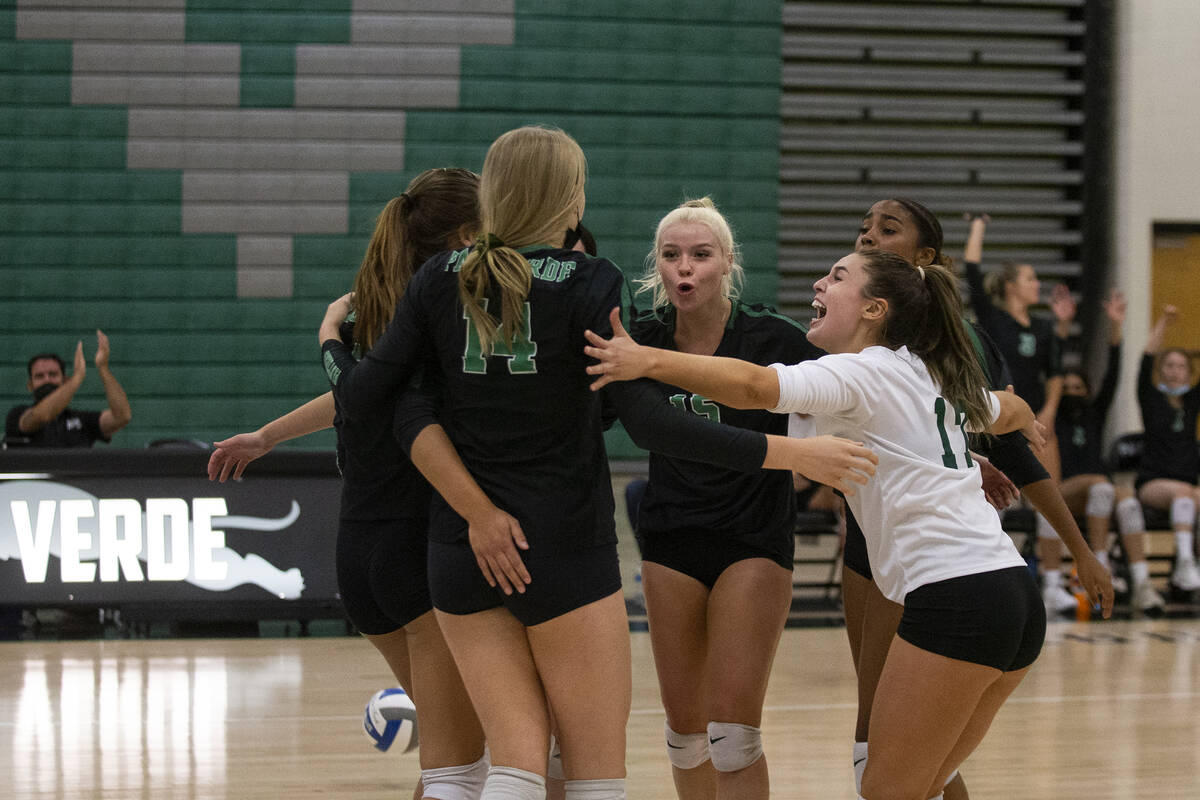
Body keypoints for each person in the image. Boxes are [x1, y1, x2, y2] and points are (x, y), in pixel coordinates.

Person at [319, 125, 877, 800]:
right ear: (569, 200)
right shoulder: (588, 280)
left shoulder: (438, 279)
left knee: (499, 768)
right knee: (589, 777)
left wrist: (330, 342)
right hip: (563, 544)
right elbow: (647, 419)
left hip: (462, 546)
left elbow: (373, 403)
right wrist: (788, 451)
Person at [585, 248, 1112, 800]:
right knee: (925, 787)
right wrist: (1017, 416)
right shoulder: (922, 370)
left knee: (886, 789)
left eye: (837, 277)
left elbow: (752, 387)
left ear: (873, 310)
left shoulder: (860, 371)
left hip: (958, 597)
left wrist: (646, 361)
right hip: (1012, 595)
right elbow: (997, 409)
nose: (819, 283)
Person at [210, 168, 498, 800]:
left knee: (451, 765)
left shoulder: (377, 317)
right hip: (417, 555)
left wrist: (267, 435)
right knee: (462, 770)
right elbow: (370, 398)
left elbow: (355, 394)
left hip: (360, 559)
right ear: (467, 234)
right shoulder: (443, 317)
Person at [843, 198, 1110, 800]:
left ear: (926, 256)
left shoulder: (956, 339)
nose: (868, 238)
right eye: (863, 229)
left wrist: (1080, 550)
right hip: (870, 546)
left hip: (944, 561)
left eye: (887, 230)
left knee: (906, 762)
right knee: (877, 743)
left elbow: (1014, 449)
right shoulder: (844, 324)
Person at [625, 198, 821, 799]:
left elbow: (857, 403)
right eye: (672, 255)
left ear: (727, 263)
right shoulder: (641, 340)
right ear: (657, 266)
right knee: (685, 735)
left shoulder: (772, 336)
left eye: (701, 255)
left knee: (732, 736)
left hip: (752, 540)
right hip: (671, 539)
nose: (685, 268)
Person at [962, 214, 1079, 614]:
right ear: (1011, 286)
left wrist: (1043, 412)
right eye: (1030, 278)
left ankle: (1052, 581)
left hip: (1039, 422)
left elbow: (1056, 375)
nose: (1037, 285)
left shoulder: (1045, 327)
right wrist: (978, 225)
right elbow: (972, 272)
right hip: (995, 425)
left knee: (1050, 499)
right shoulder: (994, 318)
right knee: (997, 498)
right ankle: (990, 578)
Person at [1054, 290, 1164, 610]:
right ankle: (1099, 568)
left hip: (1099, 492)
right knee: (1103, 487)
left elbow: (1113, 374)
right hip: (1067, 490)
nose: (1073, 392)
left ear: (1087, 391)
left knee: (1127, 502)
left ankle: (1142, 582)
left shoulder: (1094, 413)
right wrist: (1062, 328)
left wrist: (1116, 326)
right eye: (1068, 388)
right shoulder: (1054, 413)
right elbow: (1052, 367)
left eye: (1079, 388)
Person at [1136, 305, 1200, 592]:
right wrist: (1163, 321)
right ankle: (1186, 565)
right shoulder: (1151, 398)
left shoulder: (1191, 402)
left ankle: (1185, 569)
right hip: (1153, 484)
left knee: (1189, 493)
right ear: (1162, 371)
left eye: (1181, 367)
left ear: (1190, 373)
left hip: (1186, 486)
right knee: (1184, 493)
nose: (1175, 372)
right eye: (1169, 366)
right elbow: (1146, 359)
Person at [5, 331, 132, 447]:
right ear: (30, 386)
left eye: (53, 374)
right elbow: (43, 416)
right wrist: (77, 377)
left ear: (64, 380)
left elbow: (122, 417)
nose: (47, 380)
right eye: (39, 376)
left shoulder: (82, 420)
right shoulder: (17, 415)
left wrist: (103, 368)